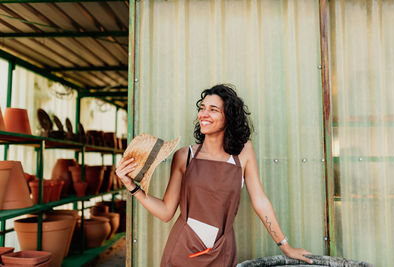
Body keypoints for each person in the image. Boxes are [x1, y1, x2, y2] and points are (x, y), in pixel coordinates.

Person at [116, 84, 313, 266]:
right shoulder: (184, 156)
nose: (204, 114)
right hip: (182, 251)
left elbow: (260, 201)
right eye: (202, 108)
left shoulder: (243, 153)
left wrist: (285, 247)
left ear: (229, 116)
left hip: (222, 251)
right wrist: (132, 187)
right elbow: (167, 212)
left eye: (213, 109)